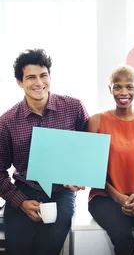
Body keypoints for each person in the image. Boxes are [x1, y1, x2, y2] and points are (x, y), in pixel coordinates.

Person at [0, 48, 89, 254]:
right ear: (19, 82)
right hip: (24, 189)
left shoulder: (74, 107)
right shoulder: (6, 122)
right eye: (31, 77)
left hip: (61, 193)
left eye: (43, 75)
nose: (39, 83)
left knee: (48, 248)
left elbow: (88, 151)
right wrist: (20, 202)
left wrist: (78, 175)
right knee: (18, 249)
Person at [87, 65, 134, 255]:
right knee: (123, 238)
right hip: (104, 196)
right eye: (117, 87)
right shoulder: (96, 121)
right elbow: (91, 170)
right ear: (110, 89)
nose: (123, 92)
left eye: (129, 87)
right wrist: (118, 197)